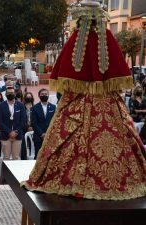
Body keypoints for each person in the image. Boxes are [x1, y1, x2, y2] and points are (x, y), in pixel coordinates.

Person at [22, 1, 146, 200]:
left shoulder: (75, 42)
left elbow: (64, 71)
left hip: (76, 103)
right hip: (108, 104)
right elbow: (118, 72)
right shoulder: (108, 41)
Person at [0, 87, 26, 160]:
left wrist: (16, 131)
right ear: (6, 94)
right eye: (9, 93)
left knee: (16, 157)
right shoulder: (1, 106)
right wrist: (9, 132)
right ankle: (6, 172)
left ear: (15, 93)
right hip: (5, 135)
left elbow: (23, 121)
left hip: (18, 135)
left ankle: (14, 172)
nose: (11, 94)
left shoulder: (20, 105)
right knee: (6, 157)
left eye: (12, 92)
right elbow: (0, 122)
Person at [31, 89, 56, 159]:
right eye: (42, 94)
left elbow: (54, 121)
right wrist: (42, 133)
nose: (44, 95)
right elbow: (34, 123)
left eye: (46, 94)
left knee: (49, 156)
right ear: (39, 95)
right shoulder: (34, 108)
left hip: (49, 136)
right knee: (38, 156)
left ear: (48, 95)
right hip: (38, 137)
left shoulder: (53, 107)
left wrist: (48, 133)